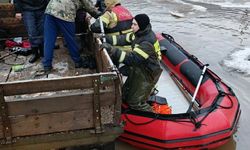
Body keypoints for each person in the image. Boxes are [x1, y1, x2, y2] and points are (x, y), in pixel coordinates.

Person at [101, 14, 162, 112]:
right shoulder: (138, 33)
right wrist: (105, 38)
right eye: (132, 23)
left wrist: (112, 50)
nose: (131, 26)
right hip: (140, 67)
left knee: (135, 103)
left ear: (141, 26)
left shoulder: (147, 43)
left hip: (148, 73)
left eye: (134, 24)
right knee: (125, 93)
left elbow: (132, 59)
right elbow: (122, 39)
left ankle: (154, 116)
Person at [42, 0, 101, 72]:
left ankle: (47, 65)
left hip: (50, 10)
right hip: (65, 12)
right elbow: (88, 5)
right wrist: (99, 14)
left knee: (49, 40)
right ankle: (77, 61)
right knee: (70, 39)